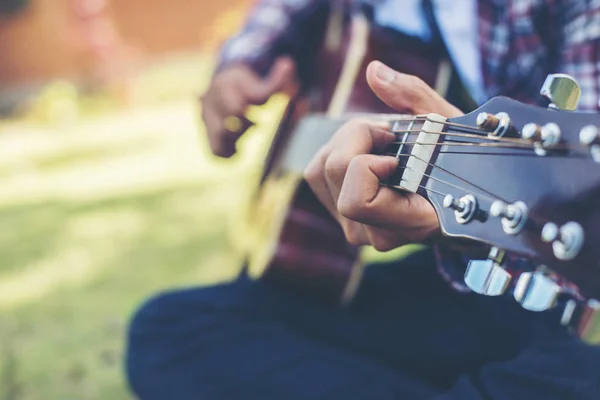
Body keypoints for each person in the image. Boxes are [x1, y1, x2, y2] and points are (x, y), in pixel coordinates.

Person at [125, 1, 600, 399]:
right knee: (170, 331)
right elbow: (282, 11)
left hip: (531, 284)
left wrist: (468, 204)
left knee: (552, 377)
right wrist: (239, 67)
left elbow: (580, 192)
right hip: (439, 278)